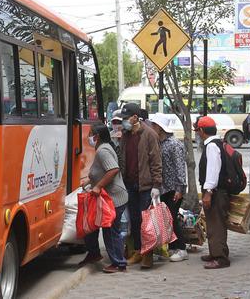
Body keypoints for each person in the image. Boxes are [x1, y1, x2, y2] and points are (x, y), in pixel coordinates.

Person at [79, 123, 129, 273]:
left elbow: (113, 169)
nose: (89, 137)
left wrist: (98, 186)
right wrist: (89, 181)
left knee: (111, 231)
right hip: (109, 197)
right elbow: (102, 170)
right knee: (93, 226)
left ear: (97, 136)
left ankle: (119, 263)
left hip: (114, 198)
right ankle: (94, 254)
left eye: (91, 134)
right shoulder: (103, 148)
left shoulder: (103, 151)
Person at [118, 103, 163, 269]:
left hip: (145, 185)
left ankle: (148, 254)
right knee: (135, 220)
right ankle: (138, 250)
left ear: (135, 117)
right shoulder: (125, 134)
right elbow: (122, 159)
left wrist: (156, 184)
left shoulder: (150, 134)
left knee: (147, 221)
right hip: (129, 184)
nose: (124, 121)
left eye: (126, 118)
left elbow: (156, 161)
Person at [149, 114, 188, 262]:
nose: (151, 128)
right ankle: (171, 248)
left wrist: (179, 189)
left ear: (159, 127)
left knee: (171, 217)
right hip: (163, 188)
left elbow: (180, 168)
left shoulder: (174, 144)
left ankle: (181, 248)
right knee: (165, 219)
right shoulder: (159, 142)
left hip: (173, 189)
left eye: (153, 125)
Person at [195, 116, 231, 269]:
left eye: (197, 131)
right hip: (217, 190)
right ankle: (216, 251)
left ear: (202, 131)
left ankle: (220, 258)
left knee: (216, 224)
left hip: (215, 191)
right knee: (213, 222)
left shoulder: (211, 146)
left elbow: (213, 171)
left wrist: (208, 192)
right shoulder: (218, 143)